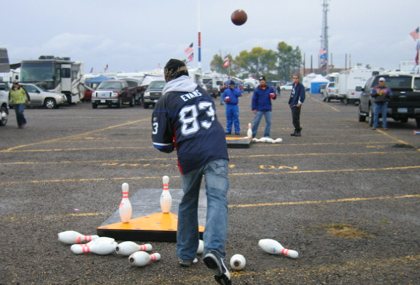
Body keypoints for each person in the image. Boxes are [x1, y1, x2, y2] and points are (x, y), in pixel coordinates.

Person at [151, 59, 231, 285]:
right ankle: (214, 249)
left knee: (188, 201)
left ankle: (186, 255)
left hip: (190, 154)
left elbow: (161, 145)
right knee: (217, 200)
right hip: (216, 148)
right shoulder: (202, 90)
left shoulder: (165, 99)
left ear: (167, 76)